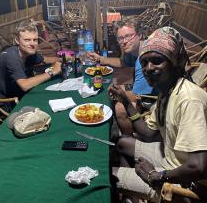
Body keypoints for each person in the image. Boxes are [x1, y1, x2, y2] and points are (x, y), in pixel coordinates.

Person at [109, 27, 207, 202]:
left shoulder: (189, 99)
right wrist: (125, 100)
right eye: (144, 62)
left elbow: (198, 166)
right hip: (172, 155)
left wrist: (157, 175)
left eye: (157, 61)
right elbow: (149, 134)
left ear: (173, 63)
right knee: (121, 143)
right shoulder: (167, 88)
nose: (148, 68)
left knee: (110, 176)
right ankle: (131, 195)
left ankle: (130, 188)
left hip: (185, 182)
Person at [88, 17, 157, 134]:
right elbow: (122, 62)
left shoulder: (145, 56)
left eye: (129, 36)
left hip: (156, 101)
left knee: (119, 108)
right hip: (144, 91)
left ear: (140, 35)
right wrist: (101, 59)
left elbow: (137, 96)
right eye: (120, 38)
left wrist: (111, 90)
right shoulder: (133, 50)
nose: (124, 41)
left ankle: (130, 139)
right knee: (118, 87)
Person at [0, 20, 61, 112]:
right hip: (8, 104)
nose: (32, 44)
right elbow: (25, 85)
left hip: (22, 94)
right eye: (27, 40)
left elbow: (46, 59)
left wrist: (63, 59)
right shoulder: (11, 56)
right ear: (17, 40)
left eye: (35, 40)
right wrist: (52, 72)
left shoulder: (29, 53)